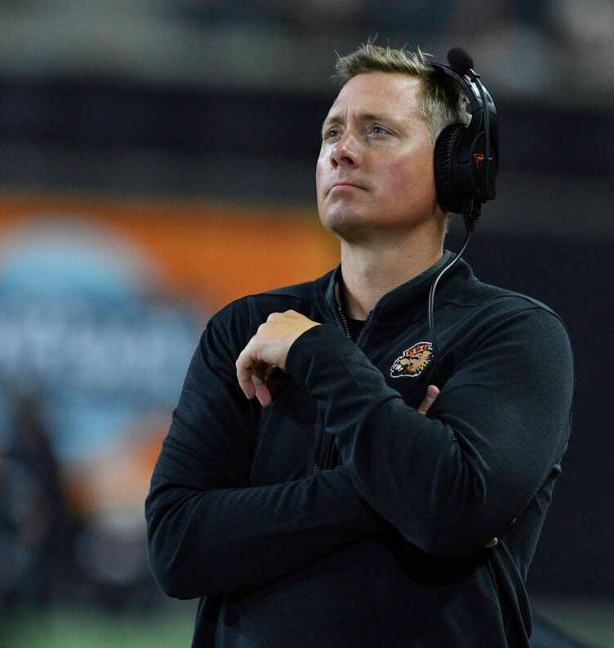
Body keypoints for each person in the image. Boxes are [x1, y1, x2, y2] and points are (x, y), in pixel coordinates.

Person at [146, 42, 574, 647]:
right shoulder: (247, 327)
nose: (342, 151)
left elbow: (449, 510)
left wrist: (316, 354)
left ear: (457, 166)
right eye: (331, 134)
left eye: (378, 132)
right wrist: (384, 481)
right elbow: (177, 547)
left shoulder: (513, 333)